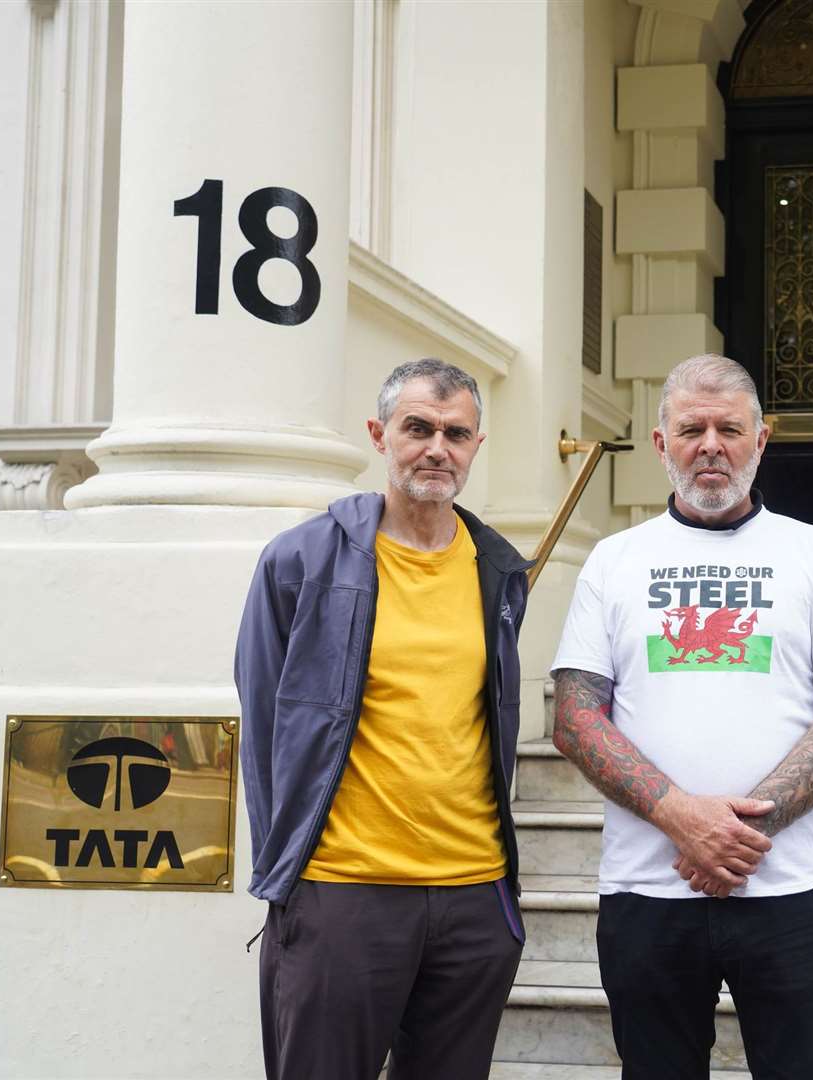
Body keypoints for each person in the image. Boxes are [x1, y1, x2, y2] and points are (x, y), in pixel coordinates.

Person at [549, 354, 813, 1080]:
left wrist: (742, 832)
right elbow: (574, 716)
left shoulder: (812, 552)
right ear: (661, 444)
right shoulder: (614, 559)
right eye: (691, 428)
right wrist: (681, 818)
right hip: (647, 888)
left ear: (760, 441)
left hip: (784, 885)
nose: (711, 445)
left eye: (729, 429)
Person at [235, 359, 530, 1080]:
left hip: (473, 895)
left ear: (475, 447)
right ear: (379, 434)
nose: (438, 448)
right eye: (418, 428)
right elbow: (267, 725)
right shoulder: (300, 560)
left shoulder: (497, 568)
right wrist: (291, 871)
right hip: (344, 891)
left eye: (456, 433)